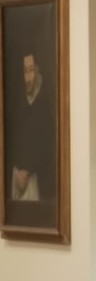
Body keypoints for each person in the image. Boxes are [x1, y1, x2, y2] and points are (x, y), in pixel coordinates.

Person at [8, 50, 56, 202]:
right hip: (17, 178)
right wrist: (17, 173)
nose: (28, 78)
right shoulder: (18, 100)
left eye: (31, 71)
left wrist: (28, 170)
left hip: (37, 180)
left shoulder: (45, 101)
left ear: (37, 70)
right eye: (25, 72)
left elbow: (48, 146)